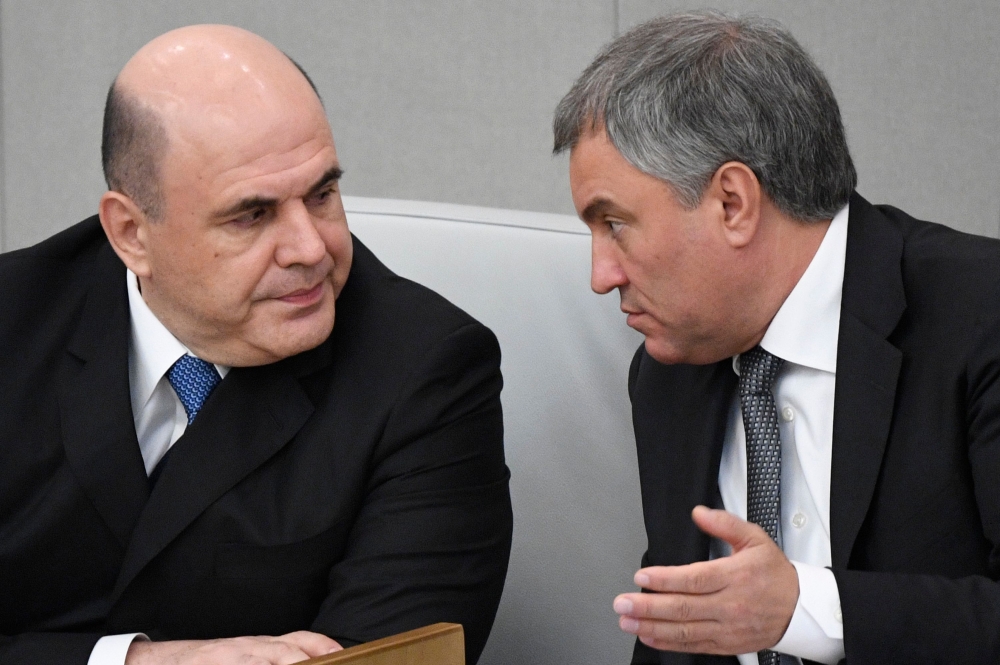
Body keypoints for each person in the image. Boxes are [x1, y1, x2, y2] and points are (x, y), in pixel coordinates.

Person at [0, 25, 512, 665]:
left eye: (322, 193)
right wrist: (136, 662)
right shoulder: (14, 318)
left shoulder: (427, 371)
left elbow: (390, 657)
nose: (310, 249)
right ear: (130, 233)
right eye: (252, 214)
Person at [554, 11, 1000, 665]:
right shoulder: (667, 370)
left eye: (615, 224)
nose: (600, 276)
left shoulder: (981, 315)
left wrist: (806, 610)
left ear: (732, 202)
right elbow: (681, 631)